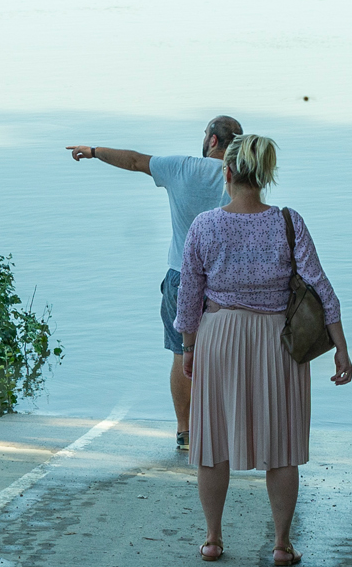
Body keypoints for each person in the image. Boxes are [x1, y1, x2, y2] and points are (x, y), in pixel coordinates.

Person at [174, 134, 352, 566]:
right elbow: (321, 288)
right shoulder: (288, 222)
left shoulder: (204, 225)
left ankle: (213, 539)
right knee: (283, 444)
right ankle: (281, 544)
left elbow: (188, 295)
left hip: (219, 335)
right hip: (279, 340)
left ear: (228, 173)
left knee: (212, 442)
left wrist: (189, 347)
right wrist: (340, 349)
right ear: (265, 176)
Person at [67, 115, 242, 452]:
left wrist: (92, 150)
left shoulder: (181, 168)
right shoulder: (243, 174)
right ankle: (225, 428)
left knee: (181, 353)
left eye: (205, 134)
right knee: (227, 355)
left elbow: (133, 160)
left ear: (213, 142)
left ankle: (186, 430)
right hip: (228, 281)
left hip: (182, 275)